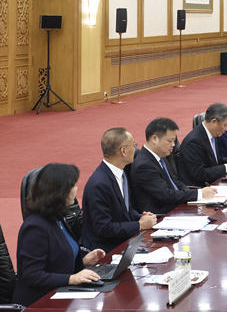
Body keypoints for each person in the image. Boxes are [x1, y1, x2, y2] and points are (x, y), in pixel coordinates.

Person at [13, 164, 107, 307]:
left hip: (61, 296)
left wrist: (84, 261)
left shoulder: (58, 218)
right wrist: (72, 278)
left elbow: (57, 262)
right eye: (72, 186)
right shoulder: (35, 227)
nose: (76, 189)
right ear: (60, 192)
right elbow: (32, 276)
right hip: (39, 304)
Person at [80, 128, 157, 253]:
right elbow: (103, 228)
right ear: (123, 151)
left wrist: (142, 218)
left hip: (122, 242)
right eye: (134, 145)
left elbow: (125, 210)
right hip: (103, 251)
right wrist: (139, 225)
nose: (136, 148)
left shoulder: (120, 173)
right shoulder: (99, 184)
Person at [131, 118, 217, 214]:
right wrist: (199, 194)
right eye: (170, 141)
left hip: (177, 206)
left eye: (174, 141)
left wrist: (190, 194)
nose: (173, 145)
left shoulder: (160, 156)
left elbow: (175, 182)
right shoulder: (144, 166)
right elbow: (166, 195)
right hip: (163, 215)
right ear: (154, 139)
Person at [178, 103, 227, 188]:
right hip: (200, 188)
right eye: (225, 125)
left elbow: (211, 159)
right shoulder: (194, 142)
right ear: (214, 122)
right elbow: (200, 173)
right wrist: (226, 167)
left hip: (212, 183)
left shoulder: (212, 133)